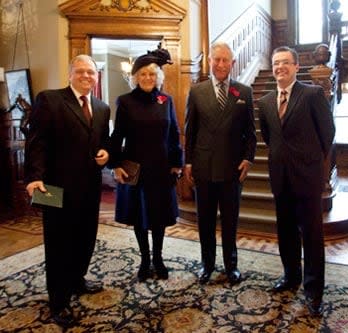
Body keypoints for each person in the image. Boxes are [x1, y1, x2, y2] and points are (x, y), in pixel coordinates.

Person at [24, 54, 111, 326]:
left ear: (97, 78)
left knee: (86, 236)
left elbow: (104, 141)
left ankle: (77, 280)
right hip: (55, 187)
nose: (86, 76)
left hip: (90, 186)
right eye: (81, 71)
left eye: (91, 73)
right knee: (59, 243)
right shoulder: (49, 99)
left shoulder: (102, 107)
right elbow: (36, 142)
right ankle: (59, 301)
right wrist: (33, 177)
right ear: (70, 74)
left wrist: (106, 153)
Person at [257, 46, 335, 316]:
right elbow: (269, 137)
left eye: (285, 63)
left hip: (307, 177)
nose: (280, 67)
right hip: (280, 177)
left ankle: (313, 291)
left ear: (296, 67)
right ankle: (290, 277)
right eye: (276, 63)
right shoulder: (266, 102)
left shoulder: (312, 94)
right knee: (286, 232)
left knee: (312, 236)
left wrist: (311, 163)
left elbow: (328, 133)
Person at [108, 46, 183, 283]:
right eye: (142, 74)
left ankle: (158, 259)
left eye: (152, 74)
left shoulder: (166, 100)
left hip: (161, 170)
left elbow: (174, 134)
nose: (148, 78)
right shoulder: (125, 102)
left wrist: (176, 164)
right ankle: (144, 259)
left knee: (159, 218)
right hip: (136, 170)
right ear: (135, 77)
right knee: (140, 219)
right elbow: (117, 136)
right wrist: (115, 164)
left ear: (158, 76)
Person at [184, 41, 256, 285]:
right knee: (204, 222)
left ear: (233, 63)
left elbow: (250, 133)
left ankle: (231, 266)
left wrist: (248, 158)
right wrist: (188, 162)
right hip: (203, 169)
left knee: (230, 222)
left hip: (232, 170)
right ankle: (207, 265)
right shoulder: (197, 91)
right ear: (210, 62)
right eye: (217, 59)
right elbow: (190, 131)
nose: (221, 64)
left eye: (226, 60)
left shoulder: (243, 92)